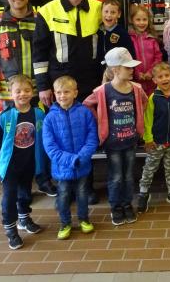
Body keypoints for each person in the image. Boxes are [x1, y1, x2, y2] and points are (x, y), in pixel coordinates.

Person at [0, 0, 57, 197]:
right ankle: (16, 183)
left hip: (37, 92)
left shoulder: (40, 20)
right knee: (12, 141)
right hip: (7, 97)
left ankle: (43, 179)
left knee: (40, 138)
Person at [33, 0, 103, 204]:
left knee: (85, 133)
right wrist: (43, 86)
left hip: (89, 84)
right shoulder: (48, 11)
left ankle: (86, 187)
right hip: (59, 85)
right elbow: (39, 52)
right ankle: (65, 187)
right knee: (62, 135)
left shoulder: (97, 8)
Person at [83, 47, 147, 226]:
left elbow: (144, 102)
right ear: (115, 70)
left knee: (128, 176)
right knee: (116, 176)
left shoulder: (136, 89)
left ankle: (127, 204)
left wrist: (138, 122)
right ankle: (115, 207)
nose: (132, 70)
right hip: (112, 143)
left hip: (131, 140)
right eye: (128, 67)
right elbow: (87, 104)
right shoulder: (103, 91)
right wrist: (100, 121)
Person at [0, 75, 46, 250]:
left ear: (33, 92)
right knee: (9, 197)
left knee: (25, 193)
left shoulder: (38, 113)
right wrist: (3, 156)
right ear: (11, 94)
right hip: (10, 165)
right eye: (18, 91)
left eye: (27, 90)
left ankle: (24, 218)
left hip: (28, 162)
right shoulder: (5, 116)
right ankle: (11, 230)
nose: (23, 94)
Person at [42, 75, 99, 240]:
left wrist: (81, 157)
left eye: (66, 92)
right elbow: (50, 147)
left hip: (82, 165)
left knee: (82, 194)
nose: (62, 96)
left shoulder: (85, 113)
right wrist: (70, 160)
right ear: (54, 94)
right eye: (58, 92)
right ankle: (65, 223)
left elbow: (92, 138)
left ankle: (84, 220)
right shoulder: (50, 118)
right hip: (62, 168)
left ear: (75, 93)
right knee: (63, 196)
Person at [136, 63, 170, 213]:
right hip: (156, 141)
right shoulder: (153, 98)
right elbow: (148, 120)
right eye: (160, 77)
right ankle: (143, 193)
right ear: (154, 80)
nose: (164, 79)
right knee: (149, 168)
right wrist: (148, 138)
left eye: (167, 75)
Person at [129, 4, 164, 96]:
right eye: (138, 20)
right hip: (135, 82)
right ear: (132, 20)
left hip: (152, 81)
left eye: (144, 19)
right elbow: (128, 59)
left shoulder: (152, 38)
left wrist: (151, 72)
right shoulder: (129, 39)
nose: (141, 23)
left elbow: (158, 57)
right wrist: (136, 73)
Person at [96, 0, 137, 73]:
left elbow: (130, 54)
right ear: (101, 12)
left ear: (119, 14)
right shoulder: (98, 32)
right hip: (100, 73)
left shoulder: (122, 33)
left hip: (118, 74)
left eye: (113, 12)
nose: (109, 15)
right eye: (106, 11)